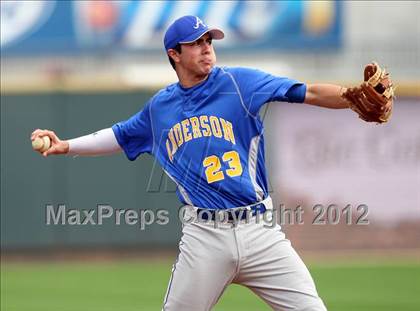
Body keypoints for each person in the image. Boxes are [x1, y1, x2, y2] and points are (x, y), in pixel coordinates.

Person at [32, 15, 355, 311]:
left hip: (261, 232)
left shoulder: (241, 83)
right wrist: (66, 145)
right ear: (174, 53)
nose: (206, 49)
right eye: (196, 43)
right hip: (205, 236)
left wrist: (353, 97)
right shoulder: (160, 108)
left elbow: (308, 92)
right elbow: (118, 136)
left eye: (208, 41)